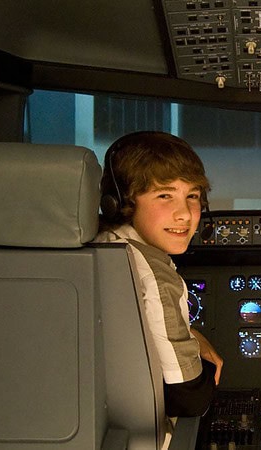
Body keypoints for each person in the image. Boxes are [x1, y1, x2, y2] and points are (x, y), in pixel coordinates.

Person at [95, 131, 223, 422]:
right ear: (120, 202)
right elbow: (190, 398)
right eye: (165, 195)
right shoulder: (152, 273)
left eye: (192, 196)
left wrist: (190, 333)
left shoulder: (99, 241)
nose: (186, 215)